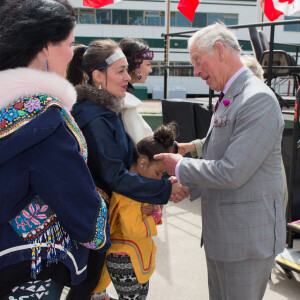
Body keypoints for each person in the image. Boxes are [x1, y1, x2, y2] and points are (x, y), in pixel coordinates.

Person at [155, 23, 286, 300]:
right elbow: (220, 158)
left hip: (244, 242)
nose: (196, 71)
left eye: (197, 62)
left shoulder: (257, 99)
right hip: (226, 238)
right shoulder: (231, 96)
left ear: (219, 50)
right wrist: (187, 184)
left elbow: (232, 172)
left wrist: (179, 165)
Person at [0, 0, 110, 299]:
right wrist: (101, 214)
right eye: (71, 43)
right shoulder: (46, 120)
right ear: (46, 46)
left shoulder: (10, 109)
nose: (74, 54)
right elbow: (81, 211)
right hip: (28, 266)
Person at [66, 39, 188, 300]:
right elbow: (115, 175)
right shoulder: (96, 117)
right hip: (94, 219)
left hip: (104, 214)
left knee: (91, 286)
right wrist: (164, 188)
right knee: (88, 287)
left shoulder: (104, 109)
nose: (127, 76)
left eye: (127, 69)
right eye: (120, 71)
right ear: (98, 76)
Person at [177, 54, 289, 211]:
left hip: (252, 212)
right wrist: (191, 148)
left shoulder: (258, 103)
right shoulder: (232, 100)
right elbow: (221, 141)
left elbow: (232, 170)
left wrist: (180, 168)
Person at [95, 122, 177, 299]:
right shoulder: (129, 192)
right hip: (125, 256)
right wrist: (154, 215)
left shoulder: (137, 188)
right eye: (158, 173)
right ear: (142, 163)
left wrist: (154, 209)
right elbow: (134, 230)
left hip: (133, 256)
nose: (158, 179)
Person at [118, 37, 154, 144]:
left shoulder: (121, 97)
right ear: (136, 65)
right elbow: (141, 143)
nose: (150, 70)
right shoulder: (126, 104)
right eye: (148, 64)